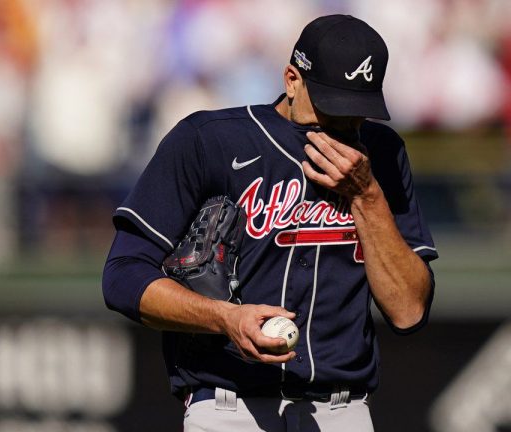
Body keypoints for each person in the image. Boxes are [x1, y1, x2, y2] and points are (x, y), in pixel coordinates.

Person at [102, 14, 438, 431]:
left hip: (342, 411)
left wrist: (367, 195)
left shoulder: (381, 155)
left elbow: (408, 310)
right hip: (230, 408)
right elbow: (122, 277)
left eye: (359, 110)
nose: (347, 124)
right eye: (334, 106)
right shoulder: (210, 141)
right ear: (292, 79)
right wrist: (224, 317)